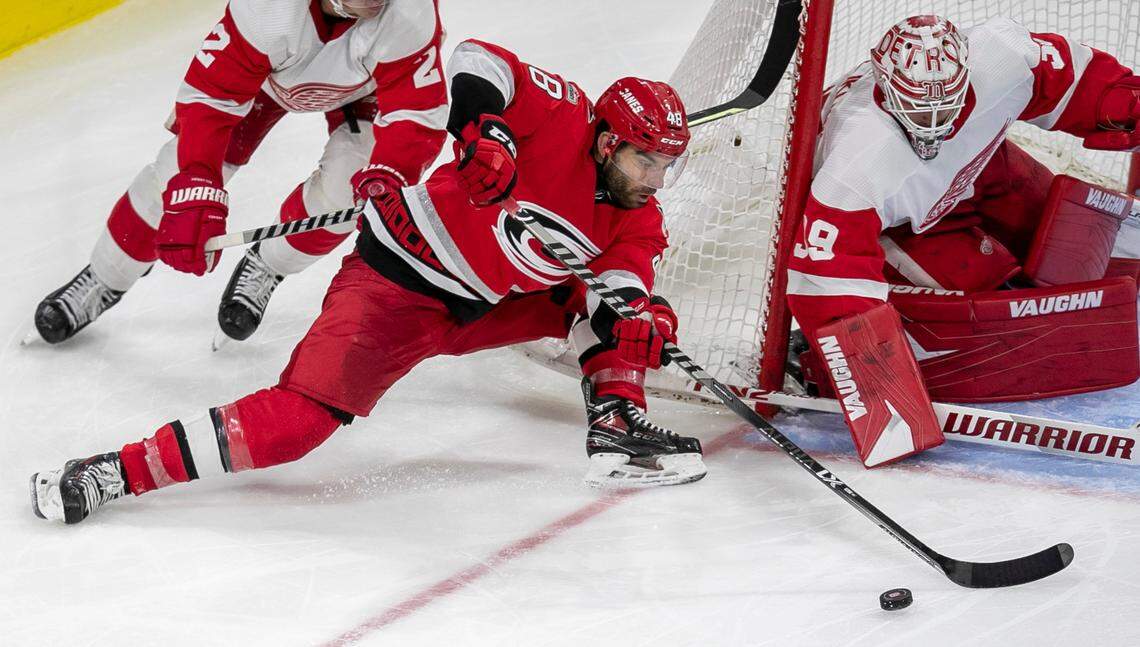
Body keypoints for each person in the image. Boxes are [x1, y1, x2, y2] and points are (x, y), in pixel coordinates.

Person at [30, 39, 705, 525]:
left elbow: (624, 283)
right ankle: (116, 469)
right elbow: (477, 61)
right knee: (301, 421)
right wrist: (487, 132)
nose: (656, 181)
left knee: (619, 308)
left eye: (666, 167)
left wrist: (639, 322)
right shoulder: (562, 114)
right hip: (399, 279)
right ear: (609, 142)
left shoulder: (637, 218)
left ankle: (615, 422)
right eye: (649, 162)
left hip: (488, 302)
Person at [786, 15, 1140, 467]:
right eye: (918, 108)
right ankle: (865, 337)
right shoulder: (855, 165)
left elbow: (1086, 85)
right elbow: (828, 281)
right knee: (1005, 304)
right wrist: (886, 404)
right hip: (904, 219)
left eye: (946, 104)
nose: (933, 122)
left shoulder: (1005, 55)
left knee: (1073, 238)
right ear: (884, 83)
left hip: (981, 163)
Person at [33, 0, 447, 345]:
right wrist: (194, 181)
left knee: (347, 195)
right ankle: (106, 275)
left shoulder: (409, 12)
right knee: (171, 177)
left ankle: (269, 264)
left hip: (369, 92)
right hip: (265, 82)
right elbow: (212, 96)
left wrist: (393, 170)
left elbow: (416, 113)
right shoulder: (270, 9)